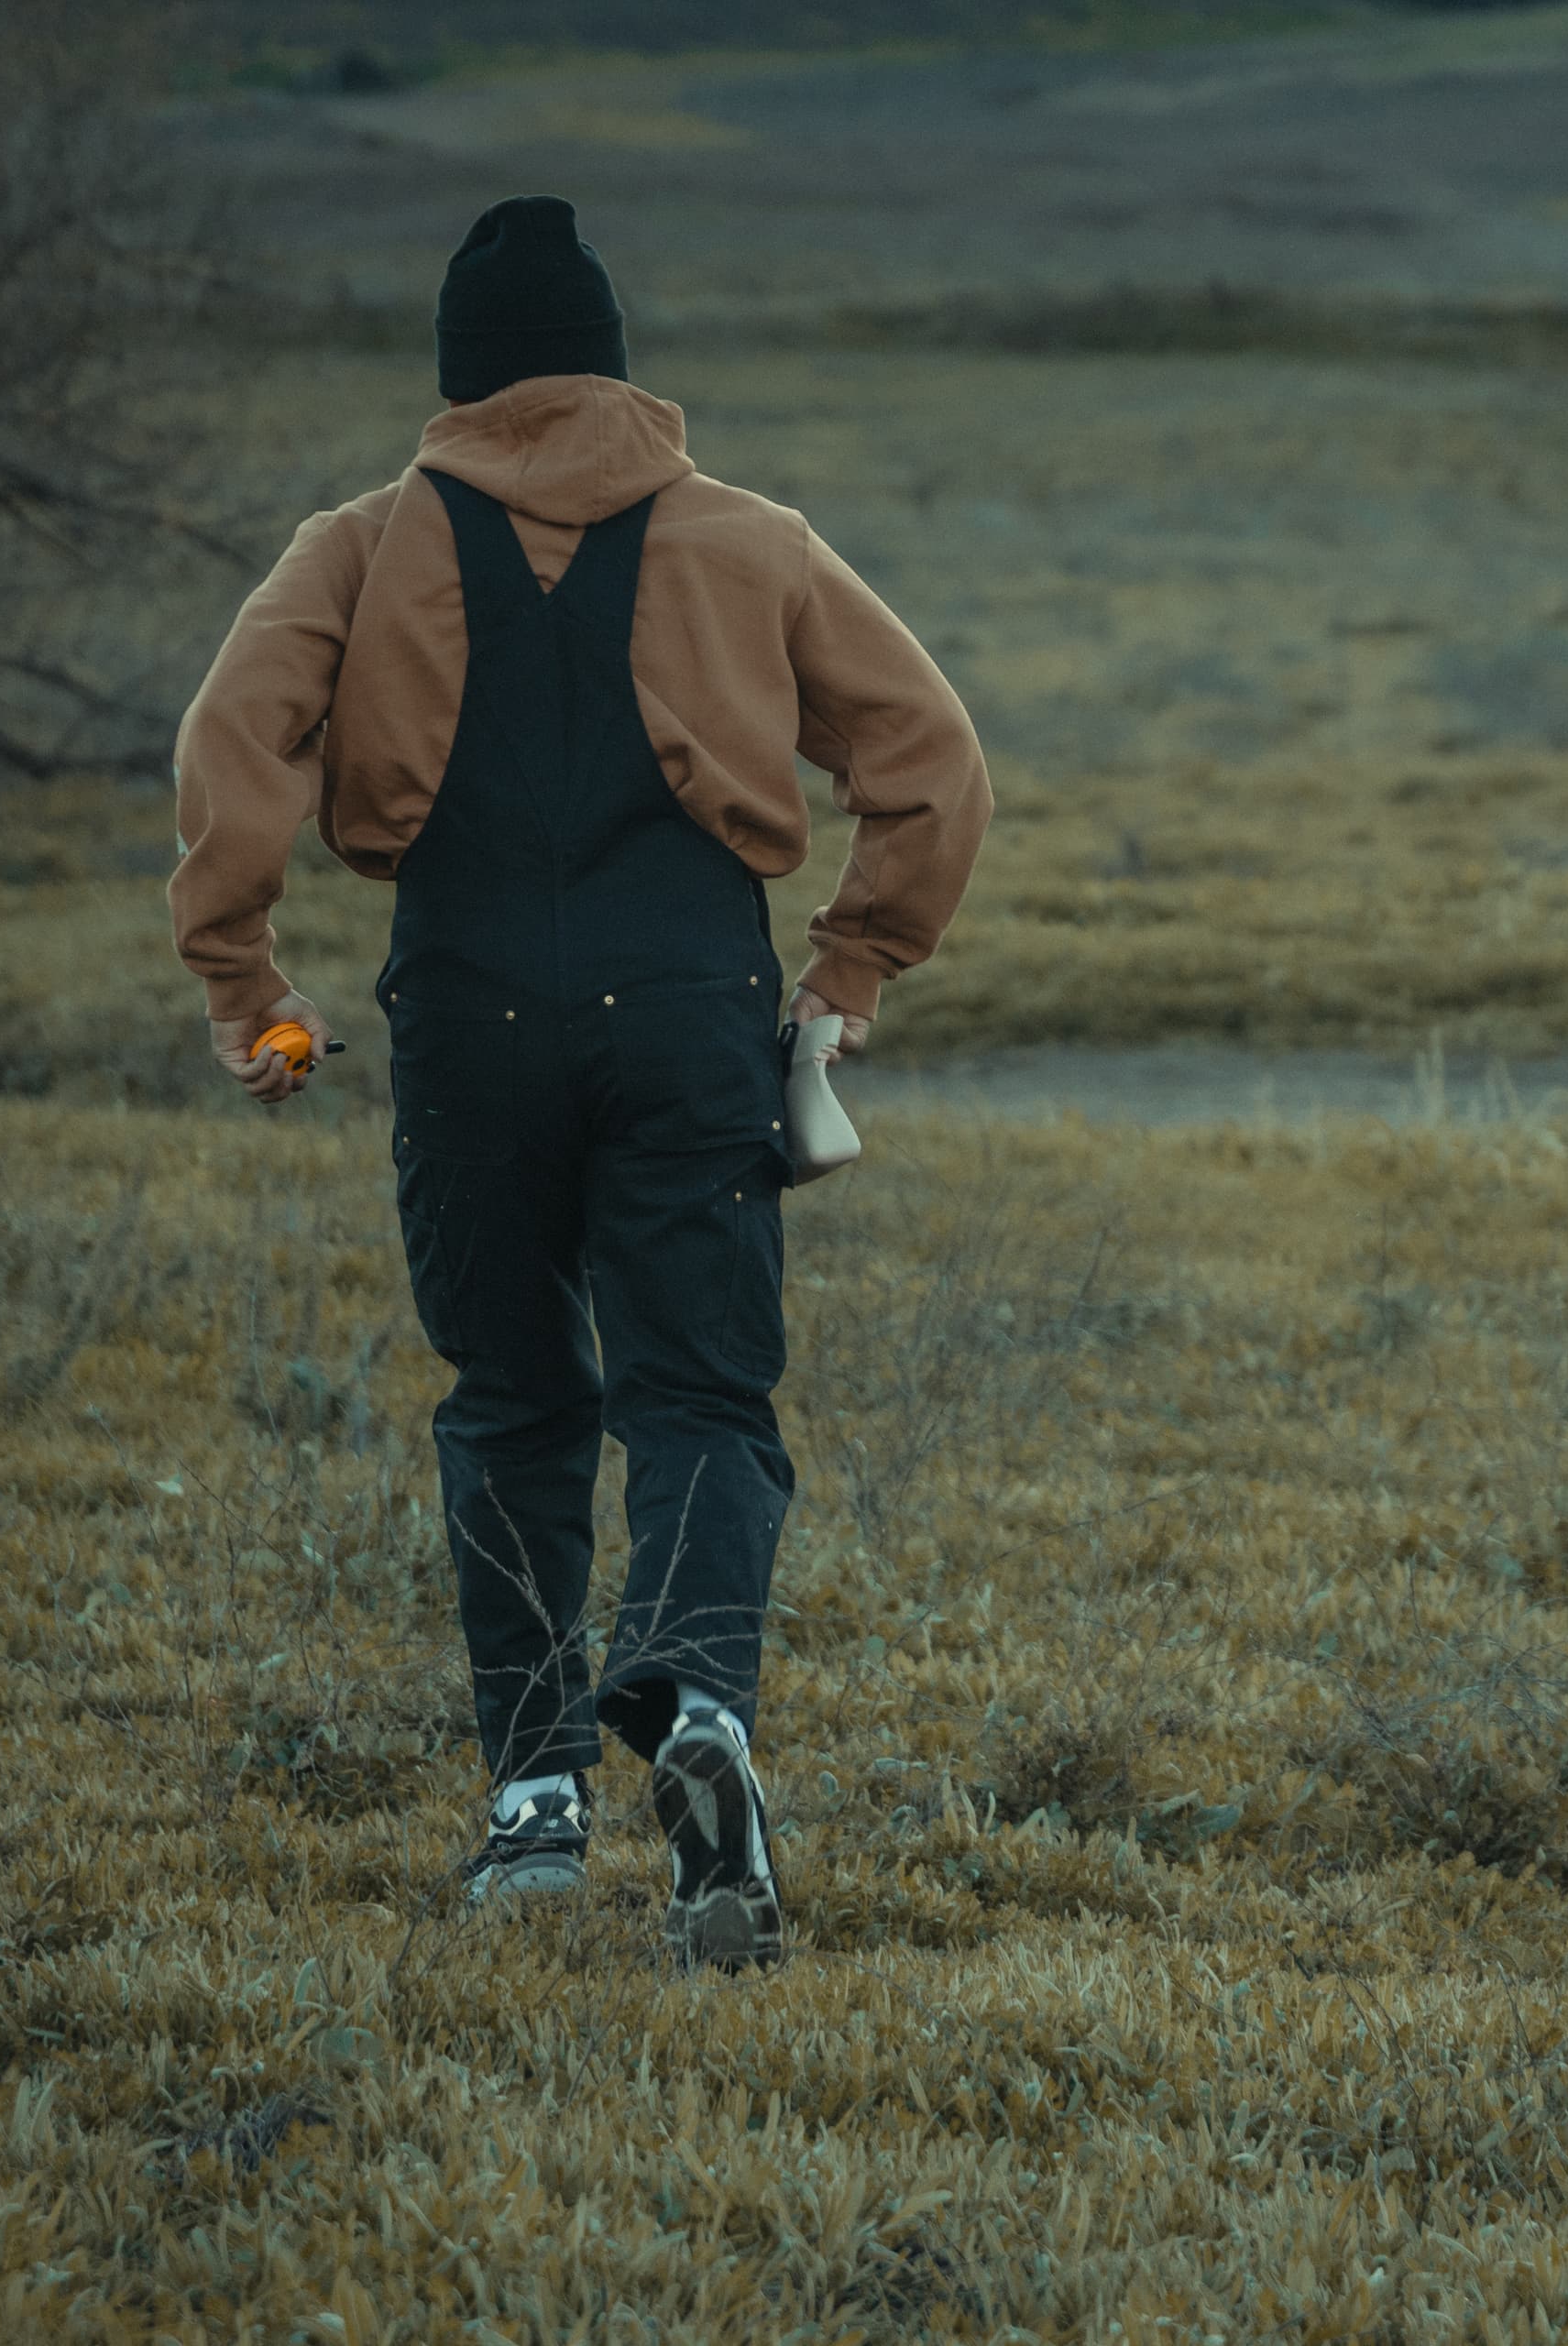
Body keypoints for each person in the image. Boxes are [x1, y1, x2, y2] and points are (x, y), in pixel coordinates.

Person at [166, 195, 992, 1966]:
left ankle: (534, 1810)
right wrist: (848, 972)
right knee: (700, 1392)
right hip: (688, 1007)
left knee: (513, 1400)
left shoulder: (359, 546)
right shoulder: (748, 540)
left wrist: (247, 981)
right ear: (618, 365)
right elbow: (930, 759)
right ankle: (698, 1712)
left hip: (467, 1015)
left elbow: (234, 740)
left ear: (456, 382)